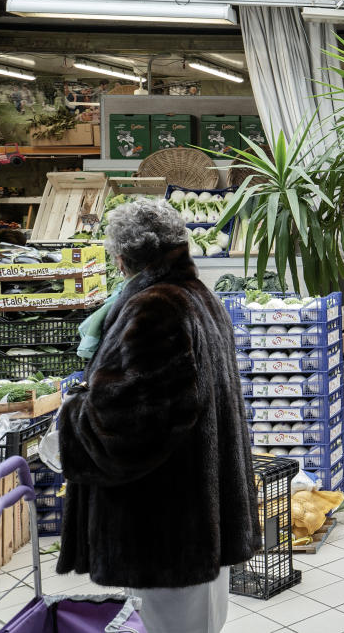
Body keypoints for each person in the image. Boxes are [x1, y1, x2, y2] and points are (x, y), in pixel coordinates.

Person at [53, 199, 260, 633]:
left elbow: (136, 424)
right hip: (197, 513)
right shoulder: (200, 299)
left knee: (171, 624)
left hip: (166, 524)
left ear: (122, 257)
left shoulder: (156, 309)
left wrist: (72, 419)